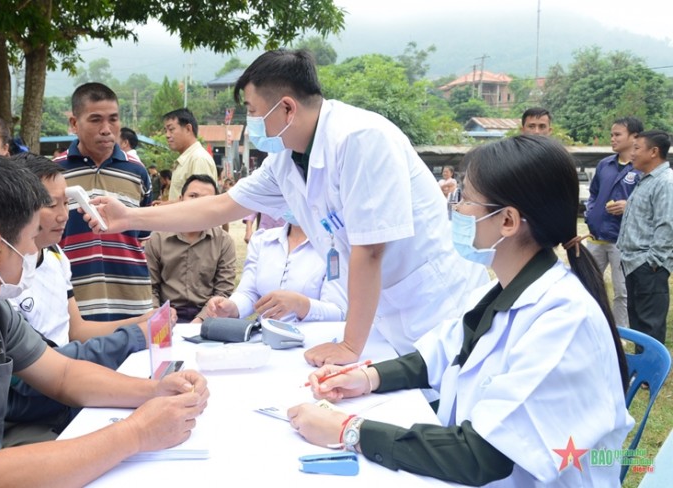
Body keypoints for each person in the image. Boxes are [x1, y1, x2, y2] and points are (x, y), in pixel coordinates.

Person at [83, 49, 489, 365]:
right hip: (387, 316)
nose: (252, 123)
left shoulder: (360, 139)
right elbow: (220, 207)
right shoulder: (285, 161)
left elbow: (370, 250)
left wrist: (349, 345)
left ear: (288, 108)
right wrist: (130, 216)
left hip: (434, 307)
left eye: (254, 112)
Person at [288, 135, 632, 487]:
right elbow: (438, 355)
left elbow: (482, 456)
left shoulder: (563, 320)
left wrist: (349, 431)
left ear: (508, 221)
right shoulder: (501, 292)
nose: (457, 211)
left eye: (466, 200)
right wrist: (366, 378)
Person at [0, 151, 208, 487]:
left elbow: (62, 374)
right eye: (32, 238)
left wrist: (156, 391)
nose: (35, 252)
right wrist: (137, 433)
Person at [6, 153, 170, 439]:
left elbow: (77, 330)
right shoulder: (3, 278)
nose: (63, 215)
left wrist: (145, 320)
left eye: (66, 202)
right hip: (37, 409)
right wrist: (134, 335)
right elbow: (45, 368)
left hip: (68, 388)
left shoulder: (56, 256)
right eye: (50, 204)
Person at [57, 82, 154, 320]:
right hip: (73, 307)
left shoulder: (138, 172)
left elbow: (143, 239)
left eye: (113, 119)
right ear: (74, 123)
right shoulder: (53, 174)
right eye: (95, 120)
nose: (106, 129)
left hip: (132, 303)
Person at [207, 214, 347, 323]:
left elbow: (338, 312)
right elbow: (249, 293)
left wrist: (300, 304)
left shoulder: (334, 247)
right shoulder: (263, 240)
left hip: (312, 344)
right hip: (264, 341)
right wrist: (231, 307)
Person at [145, 174, 236, 323]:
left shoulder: (223, 242)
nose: (198, 203)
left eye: (206, 199)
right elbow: (149, 287)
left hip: (208, 316)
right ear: (181, 199)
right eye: (193, 196)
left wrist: (201, 319)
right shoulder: (157, 238)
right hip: (167, 315)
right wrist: (159, 317)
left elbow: (223, 290)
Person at [585, 116, 644, 328]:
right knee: (587, 285)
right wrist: (591, 214)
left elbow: (650, 203)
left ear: (634, 137)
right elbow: (593, 194)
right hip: (596, 238)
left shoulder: (642, 168)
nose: (612, 138)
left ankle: (622, 334)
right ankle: (592, 326)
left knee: (622, 291)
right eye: (611, 134)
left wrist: (629, 206)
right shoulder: (604, 164)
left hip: (623, 241)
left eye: (617, 134)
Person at [617, 130, 673, 348]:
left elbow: (667, 225)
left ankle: (653, 369)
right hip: (634, 264)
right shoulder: (645, 181)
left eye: (637, 148)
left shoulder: (665, 182)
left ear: (654, 152)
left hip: (648, 267)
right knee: (639, 328)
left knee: (650, 329)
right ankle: (642, 365)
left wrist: (653, 262)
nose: (632, 153)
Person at [163, 108, 218, 201]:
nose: (167, 135)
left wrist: (167, 206)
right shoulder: (187, 159)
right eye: (166, 131)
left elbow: (200, 202)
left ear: (188, 129)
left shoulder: (198, 159)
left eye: (171, 129)